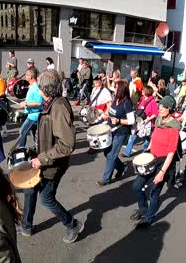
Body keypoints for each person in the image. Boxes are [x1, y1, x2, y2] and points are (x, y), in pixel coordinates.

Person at [17, 69, 84, 243]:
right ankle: (26, 225)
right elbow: (46, 134)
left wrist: (43, 158)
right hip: (44, 158)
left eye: (39, 87)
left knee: (46, 199)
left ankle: (73, 224)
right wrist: (35, 150)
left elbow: (67, 144)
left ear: (44, 90)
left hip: (53, 164)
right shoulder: (49, 103)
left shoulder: (59, 107)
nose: (37, 89)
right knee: (30, 189)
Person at [131, 96, 181, 228]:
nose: (160, 108)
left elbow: (171, 153)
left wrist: (162, 172)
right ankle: (143, 209)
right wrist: (146, 152)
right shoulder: (159, 120)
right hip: (152, 159)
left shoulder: (174, 128)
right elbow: (153, 138)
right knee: (137, 186)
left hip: (163, 163)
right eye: (160, 106)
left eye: (163, 107)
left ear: (169, 109)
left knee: (154, 192)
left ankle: (149, 217)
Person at [97, 80, 135, 186]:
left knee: (111, 154)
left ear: (121, 89)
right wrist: (104, 116)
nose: (114, 89)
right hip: (111, 129)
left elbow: (132, 120)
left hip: (121, 132)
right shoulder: (115, 99)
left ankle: (106, 179)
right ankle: (121, 167)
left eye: (116, 87)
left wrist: (119, 121)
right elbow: (111, 113)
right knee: (106, 152)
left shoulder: (127, 102)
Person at [121, 86, 158, 157]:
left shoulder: (153, 102)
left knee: (146, 137)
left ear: (146, 92)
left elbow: (155, 114)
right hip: (139, 120)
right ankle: (127, 152)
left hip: (147, 122)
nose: (142, 91)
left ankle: (145, 151)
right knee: (133, 135)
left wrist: (147, 119)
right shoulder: (142, 98)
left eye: (143, 90)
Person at [17, 67, 43, 148]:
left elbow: (39, 103)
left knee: (22, 132)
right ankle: (38, 149)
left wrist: (26, 104)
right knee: (36, 135)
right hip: (31, 114)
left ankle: (21, 150)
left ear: (31, 76)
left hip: (34, 116)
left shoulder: (36, 88)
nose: (25, 76)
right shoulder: (32, 86)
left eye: (27, 75)